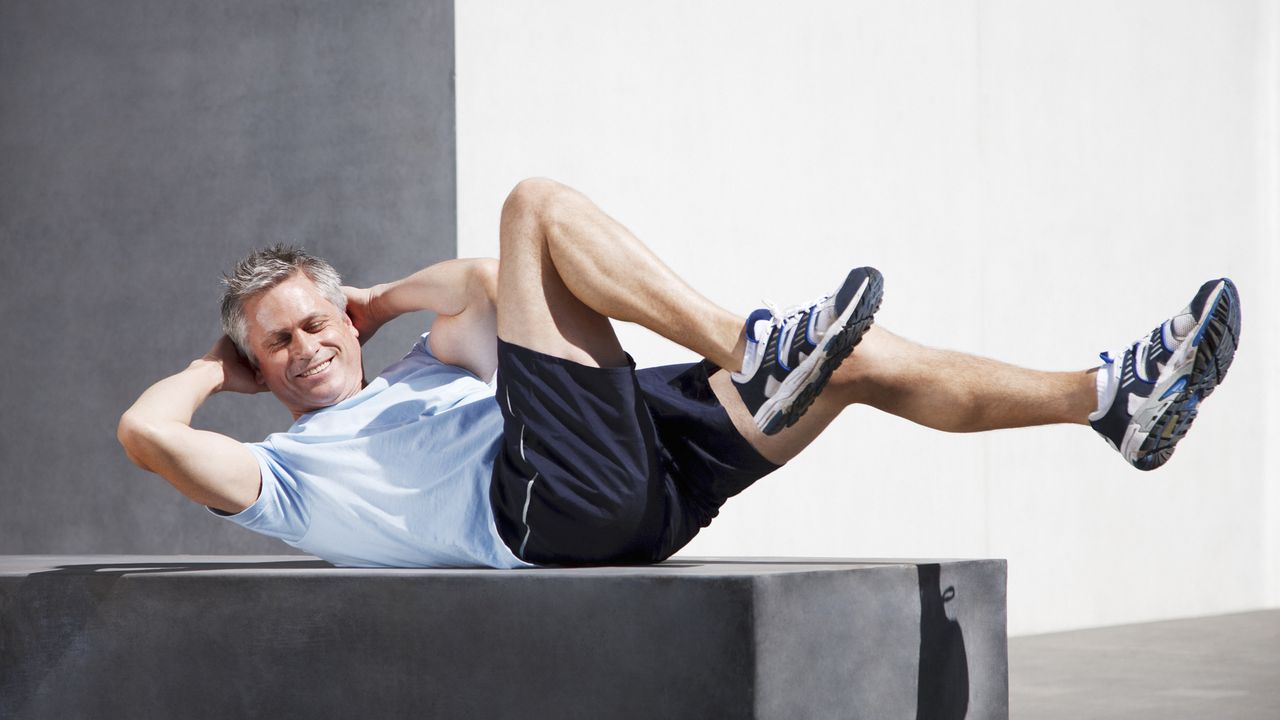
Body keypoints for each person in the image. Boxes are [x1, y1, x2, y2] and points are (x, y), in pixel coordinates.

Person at [117, 178, 1242, 568]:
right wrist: (210, 371)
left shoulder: (420, 362)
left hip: (631, 484)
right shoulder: (293, 471)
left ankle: (1108, 401)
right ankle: (748, 344)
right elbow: (147, 437)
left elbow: (484, 285)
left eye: (318, 320)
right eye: (280, 341)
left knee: (854, 362)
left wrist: (383, 297)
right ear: (259, 368)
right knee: (535, 204)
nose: (308, 343)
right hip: (541, 511)